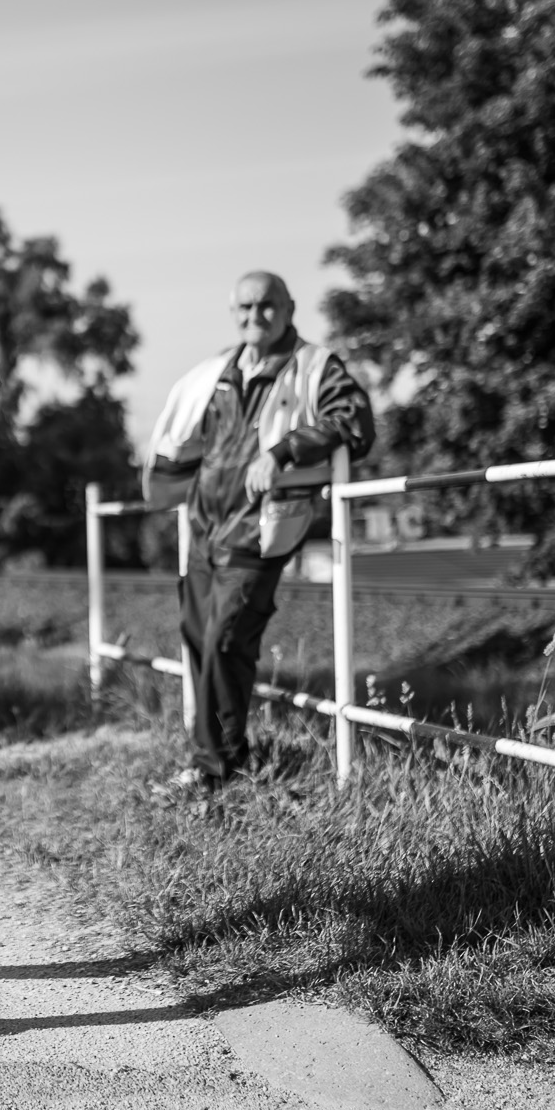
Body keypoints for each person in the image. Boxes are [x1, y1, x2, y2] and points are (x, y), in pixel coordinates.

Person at [142, 272, 374, 790]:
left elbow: (354, 421)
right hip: (203, 527)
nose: (255, 315)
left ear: (289, 307)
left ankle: (214, 768)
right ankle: (215, 759)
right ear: (233, 313)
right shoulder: (214, 373)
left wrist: (283, 450)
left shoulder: (316, 366)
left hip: (260, 528)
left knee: (226, 638)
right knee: (199, 639)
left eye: (266, 305)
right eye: (245, 307)